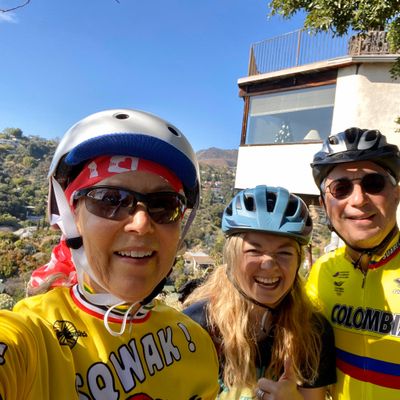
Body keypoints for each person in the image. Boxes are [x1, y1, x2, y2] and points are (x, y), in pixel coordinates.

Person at [0, 108, 219, 399]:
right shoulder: (32, 337)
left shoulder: (197, 344)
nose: (141, 224)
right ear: (70, 217)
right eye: (110, 199)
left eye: (165, 205)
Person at [184, 185, 336, 400]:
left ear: (298, 262)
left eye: (284, 253)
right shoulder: (197, 327)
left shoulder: (313, 332)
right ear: (232, 258)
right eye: (254, 251)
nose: (269, 264)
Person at [307, 127, 400, 399]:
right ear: (324, 204)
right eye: (341, 188)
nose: (358, 200)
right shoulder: (322, 271)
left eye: (374, 183)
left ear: (396, 194)